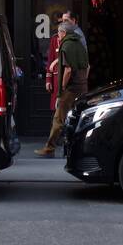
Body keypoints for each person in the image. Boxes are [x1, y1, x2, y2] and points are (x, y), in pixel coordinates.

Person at [35, 20, 89, 157]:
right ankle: (77, 149)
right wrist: (83, 80)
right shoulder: (80, 44)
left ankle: (49, 148)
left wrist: (63, 87)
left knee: (58, 118)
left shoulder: (66, 45)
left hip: (70, 88)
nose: (57, 37)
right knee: (78, 118)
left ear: (63, 33)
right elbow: (87, 66)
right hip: (82, 87)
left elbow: (68, 70)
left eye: (58, 33)